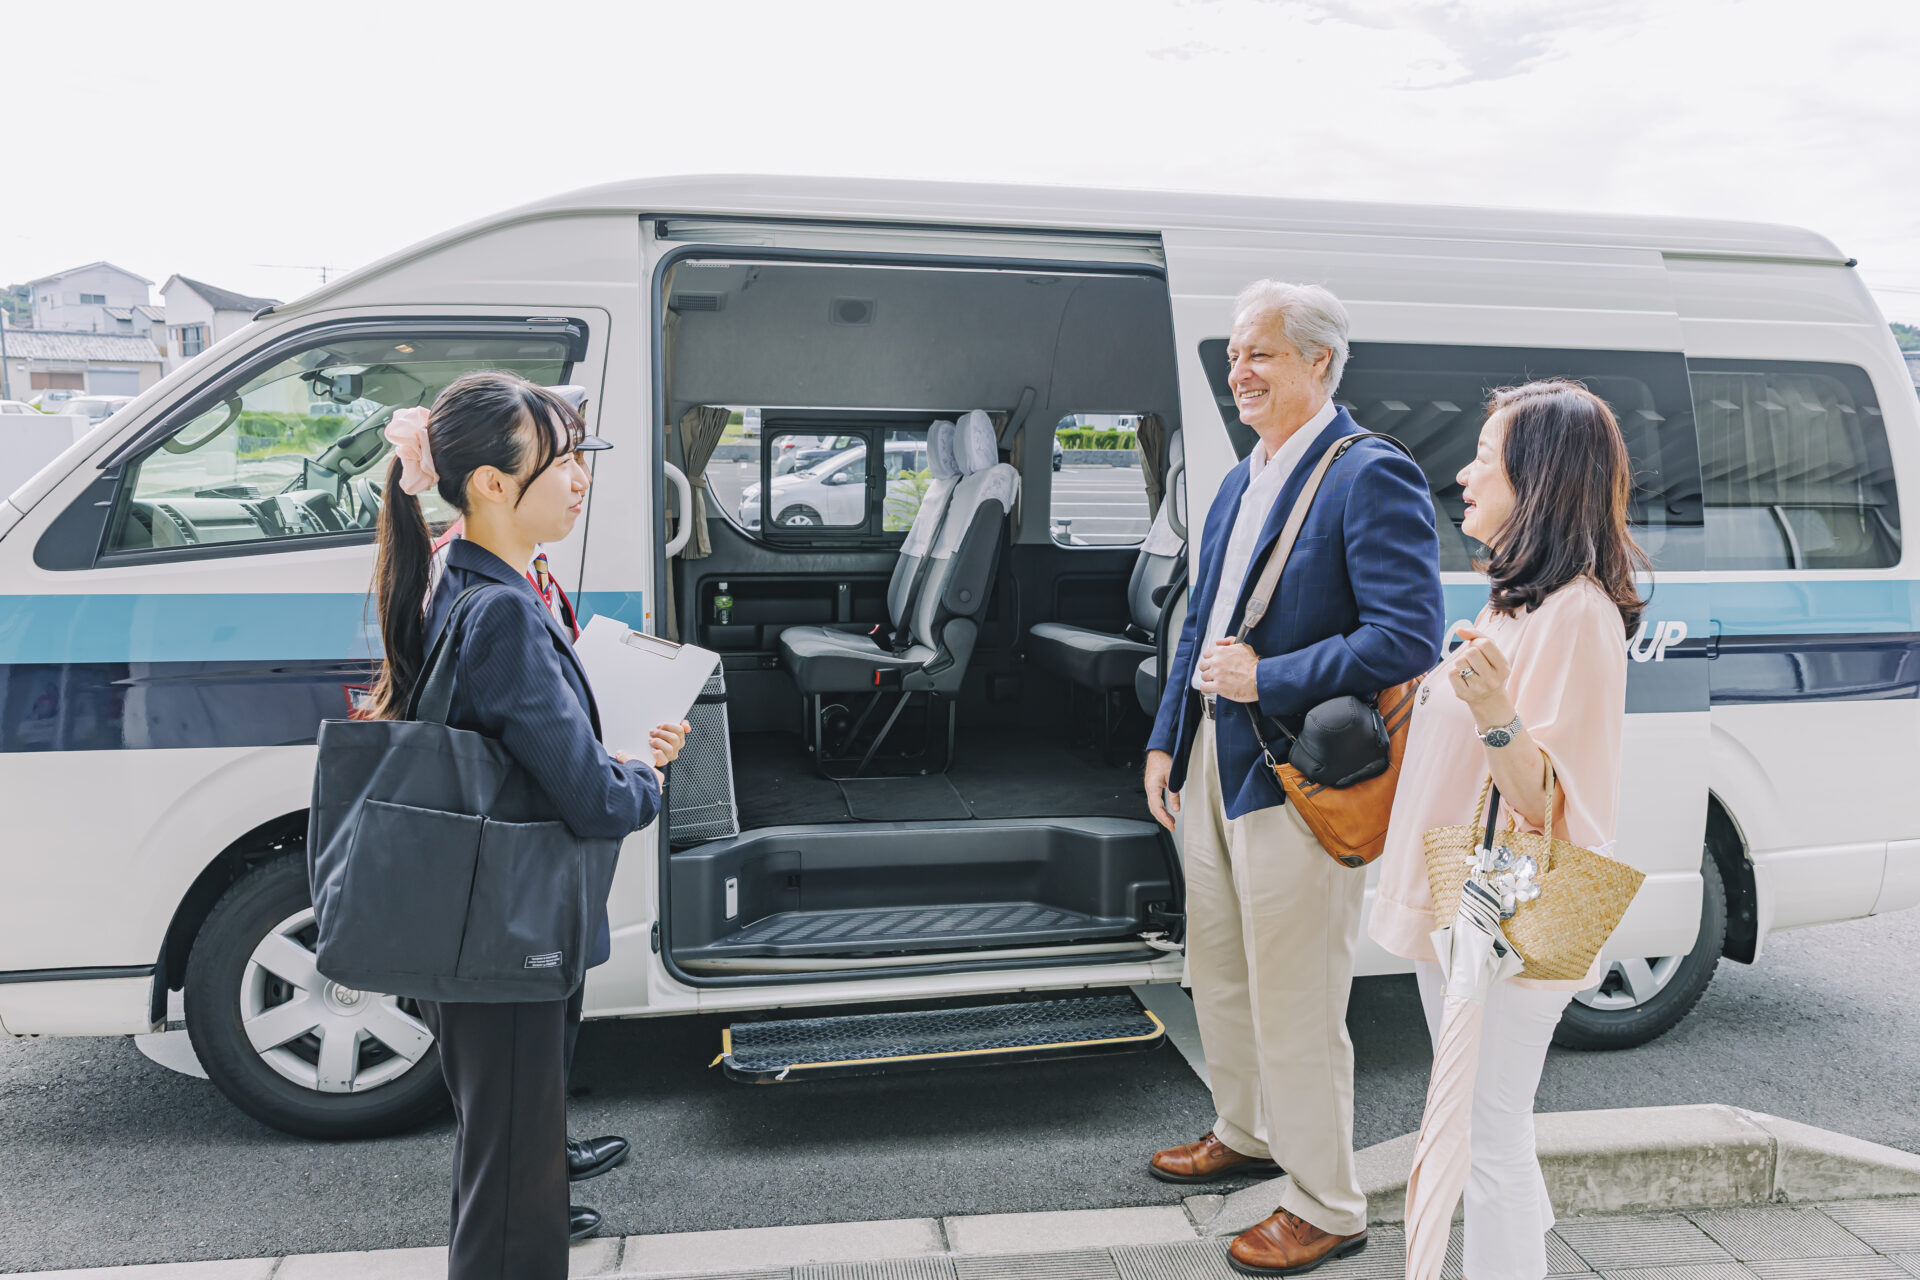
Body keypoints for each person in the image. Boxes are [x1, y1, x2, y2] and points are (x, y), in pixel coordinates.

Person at [1141, 281, 1445, 1275]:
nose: (1241, 373)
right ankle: (1246, 1129)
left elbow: (1408, 635)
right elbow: (1198, 623)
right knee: (1218, 972)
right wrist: (1164, 737)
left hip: (1296, 780)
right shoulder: (1242, 477)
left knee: (1299, 997)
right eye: (1236, 355)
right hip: (1213, 759)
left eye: (1262, 354)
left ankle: (1328, 1201)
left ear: (1320, 362)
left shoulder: (1370, 473)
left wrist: (1268, 676)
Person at [368, 371, 688, 1280]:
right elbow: (591, 800)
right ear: (492, 485)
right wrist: (648, 770)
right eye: (563, 460)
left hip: (478, 919)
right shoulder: (505, 609)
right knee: (511, 1201)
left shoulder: (455, 569)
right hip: (506, 939)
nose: (582, 478)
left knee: (506, 1155)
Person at [1370, 379, 1643, 1280]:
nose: (1462, 473)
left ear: (1541, 479)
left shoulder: (1579, 614)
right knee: (1490, 1130)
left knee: (1484, 1137)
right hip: (1467, 895)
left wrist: (1488, 704)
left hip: (1513, 907)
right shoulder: (1515, 602)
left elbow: (1547, 799)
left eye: (1484, 458)